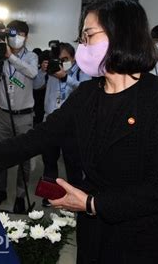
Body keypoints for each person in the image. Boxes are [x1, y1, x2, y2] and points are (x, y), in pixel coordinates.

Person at [0, 0, 158, 263]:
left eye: (89, 35)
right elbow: (38, 137)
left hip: (144, 237)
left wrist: (91, 204)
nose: (81, 45)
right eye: (81, 37)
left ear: (121, 34)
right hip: (95, 233)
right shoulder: (87, 94)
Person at [0, 20, 38, 213]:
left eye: (20, 34)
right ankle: (1, 190)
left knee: (25, 157)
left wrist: (10, 57)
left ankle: (21, 195)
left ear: (26, 36)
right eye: (12, 33)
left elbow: (32, 72)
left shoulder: (31, 57)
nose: (16, 37)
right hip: (3, 114)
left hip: (24, 116)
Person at [33, 42, 91, 207]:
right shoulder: (51, 71)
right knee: (49, 162)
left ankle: (76, 197)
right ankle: (50, 196)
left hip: (72, 126)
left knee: (73, 164)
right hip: (50, 121)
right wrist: (42, 71)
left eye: (64, 59)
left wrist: (65, 77)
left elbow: (85, 90)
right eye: (57, 59)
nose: (60, 62)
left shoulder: (82, 71)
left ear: (73, 58)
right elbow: (36, 85)